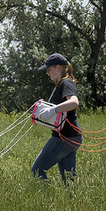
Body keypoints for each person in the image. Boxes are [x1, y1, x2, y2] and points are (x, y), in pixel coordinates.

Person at [29, 53, 82, 182]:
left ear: (58, 67)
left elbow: (74, 102)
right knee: (69, 180)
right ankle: (72, 200)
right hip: (72, 137)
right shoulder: (61, 84)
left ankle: (47, 198)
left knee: (37, 169)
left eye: (49, 69)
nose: (48, 73)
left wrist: (52, 110)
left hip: (64, 138)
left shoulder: (66, 83)